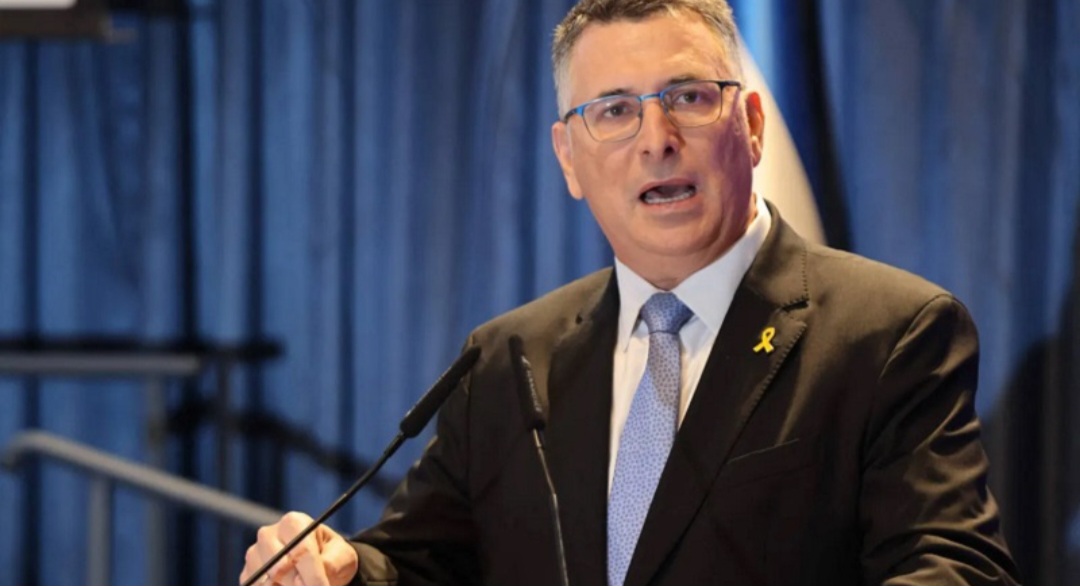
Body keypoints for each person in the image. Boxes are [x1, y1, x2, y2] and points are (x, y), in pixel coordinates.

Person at [240, 1, 1021, 585]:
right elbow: (419, 567)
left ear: (751, 125)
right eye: (614, 110)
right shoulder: (509, 359)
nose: (656, 139)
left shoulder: (888, 333)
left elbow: (954, 570)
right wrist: (341, 571)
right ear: (568, 159)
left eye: (688, 97)